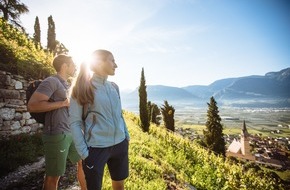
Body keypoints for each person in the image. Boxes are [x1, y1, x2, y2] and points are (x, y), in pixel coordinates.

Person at [69, 49, 130, 190]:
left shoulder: (114, 87)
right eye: (112, 60)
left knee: (120, 186)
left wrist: (126, 135)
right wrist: (84, 152)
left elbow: (119, 114)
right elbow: (75, 122)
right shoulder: (83, 87)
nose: (116, 65)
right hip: (96, 148)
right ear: (100, 62)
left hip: (120, 144)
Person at [27, 54, 86, 190]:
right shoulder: (51, 81)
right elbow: (33, 105)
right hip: (57, 134)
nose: (75, 67)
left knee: (83, 163)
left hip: (72, 133)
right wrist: (63, 103)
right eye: (73, 64)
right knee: (53, 176)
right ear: (64, 66)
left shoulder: (67, 84)